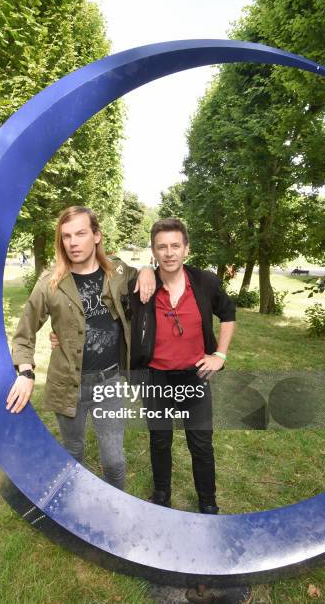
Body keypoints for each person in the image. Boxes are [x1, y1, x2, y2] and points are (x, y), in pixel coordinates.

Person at [6, 205, 156, 490]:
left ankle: (116, 511)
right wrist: (25, 373)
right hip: (68, 383)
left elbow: (147, 278)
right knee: (72, 452)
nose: (73, 242)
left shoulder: (119, 272)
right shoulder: (50, 283)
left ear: (96, 236)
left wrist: (148, 269)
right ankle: (75, 507)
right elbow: (24, 333)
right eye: (66, 236)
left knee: (114, 460)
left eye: (81, 234)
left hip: (109, 383)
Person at [129, 218, 236, 513]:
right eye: (162, 247)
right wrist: (143, 269)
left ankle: (208, 504)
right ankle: (161, 495)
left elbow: (228, 314)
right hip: (156, 378)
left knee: (201, 444)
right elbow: (108, 272)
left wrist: (220, 355)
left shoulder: (205, 281)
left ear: (187, 248)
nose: (169, 252)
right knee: (160, 439)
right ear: (153, 251)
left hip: (194, 377)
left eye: (176, 245)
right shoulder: (142, 286)